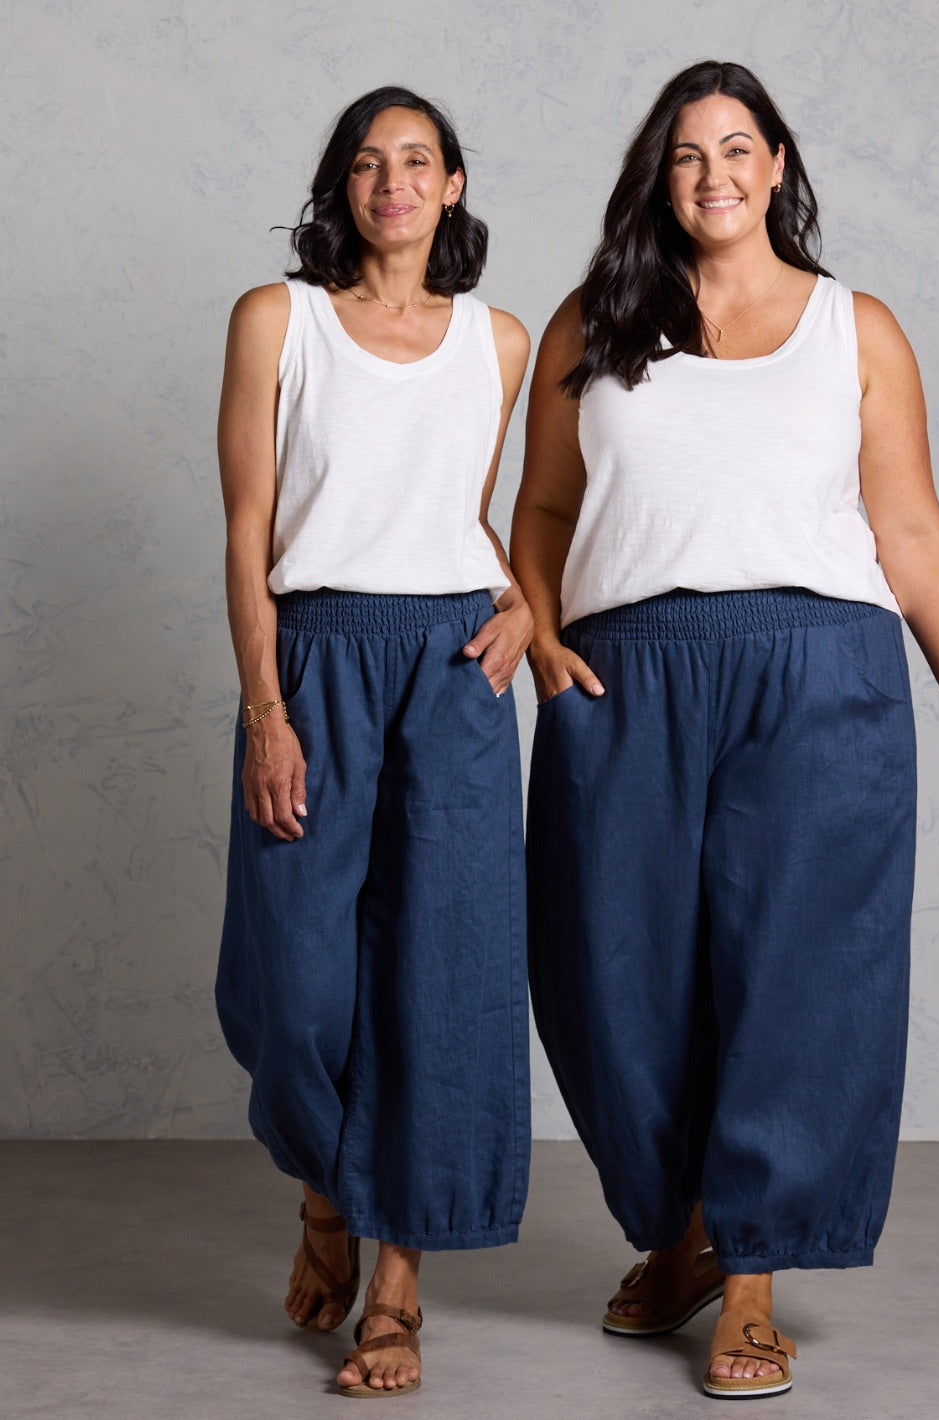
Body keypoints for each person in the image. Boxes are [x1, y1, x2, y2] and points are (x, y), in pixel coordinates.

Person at [512, 59, 939, 1401]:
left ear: (777, 164)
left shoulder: (856, 328)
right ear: (656, 178)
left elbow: (904, 524)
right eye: (686, 155)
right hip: (624, 673)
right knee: (612, 973)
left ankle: (755, 1276)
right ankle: (679, 1233)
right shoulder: (593, 320)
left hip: (818, 673)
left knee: (799, 976)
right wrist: (543, 639)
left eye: (738, 148)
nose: (714, 174)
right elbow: (542, 513)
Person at [215, 85, 532, 1399]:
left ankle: (395, 1292)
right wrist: (266, 710)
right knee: (295, 985)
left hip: (454, 668)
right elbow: (246, 531)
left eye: (415, 160)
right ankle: (327, 1199)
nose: (390, 180)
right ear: (341, 189)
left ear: (452, 185)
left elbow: (469, 510)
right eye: (365, 162)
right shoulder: (275, 320)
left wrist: (527, 600)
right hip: (315, 657)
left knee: (441, 986)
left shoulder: (498, 342)